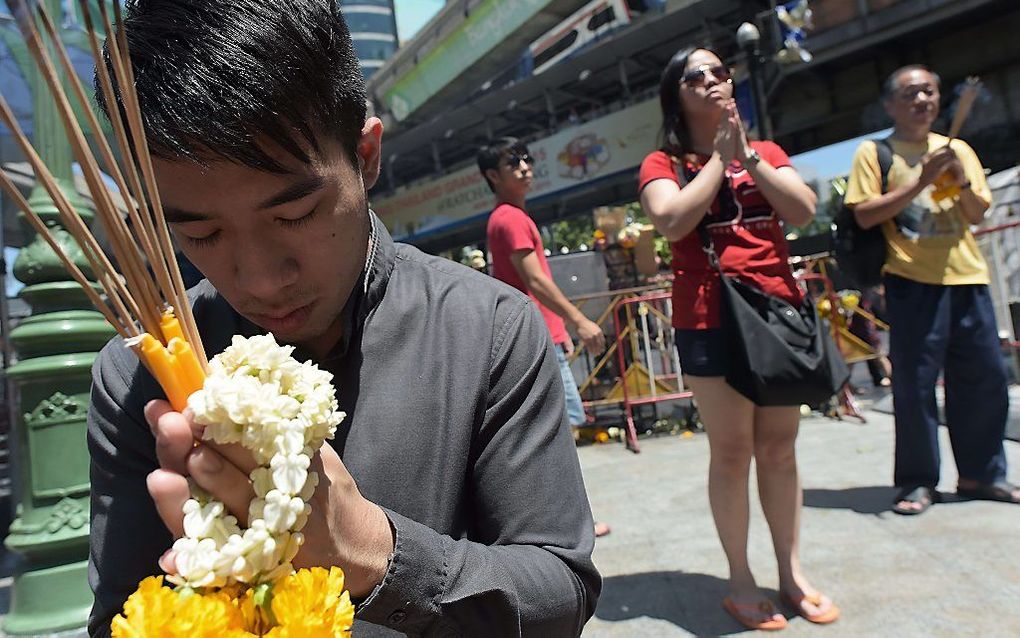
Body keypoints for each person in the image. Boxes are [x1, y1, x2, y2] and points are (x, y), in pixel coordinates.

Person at [86, 2, 601, 636]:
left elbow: (560, 591)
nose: (259, 278)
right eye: (200, 232)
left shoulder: (489, 328)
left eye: (295, 214)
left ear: (366, 155)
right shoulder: (135, 377)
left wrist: (377, 554)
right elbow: (119, 617)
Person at [638, 47, 837, 631]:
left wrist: (748, 155)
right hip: (708, 314)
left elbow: (802, 211)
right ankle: (741, 579)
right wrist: (719, 163)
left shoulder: (767, 152)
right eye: (695, 75)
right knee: (731, 451)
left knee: (780, 449)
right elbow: (671, 220)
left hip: (776, 314)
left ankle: (791, 573)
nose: (711, 81)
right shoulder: (662, 161)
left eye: (719, 72)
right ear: (677, 93)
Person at [844, 64, 1020, 515]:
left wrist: (957, 177)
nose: (922, 100)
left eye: (929, 92)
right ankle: (918, 481)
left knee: (985, 380)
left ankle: (983, 473)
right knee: (915, 385)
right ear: (889, 105)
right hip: (911, 280)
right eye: (910, 93)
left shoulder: (957, 147)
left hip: (966, 277)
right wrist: (921, 179)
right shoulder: (875, 152)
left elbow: (978, 213)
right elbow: (864, 214)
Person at [477, 138, 611, 538]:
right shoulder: (510, 219)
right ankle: (568, 522)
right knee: (559, 431)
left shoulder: (511, 217)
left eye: (526, 158)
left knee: (557, 429)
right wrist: (578, 322)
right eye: (511, 161)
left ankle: (565, 520)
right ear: (492, 176)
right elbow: (535, 278)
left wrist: (559, 327)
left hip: (541, 333)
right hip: (539, 335)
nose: (524, 166)